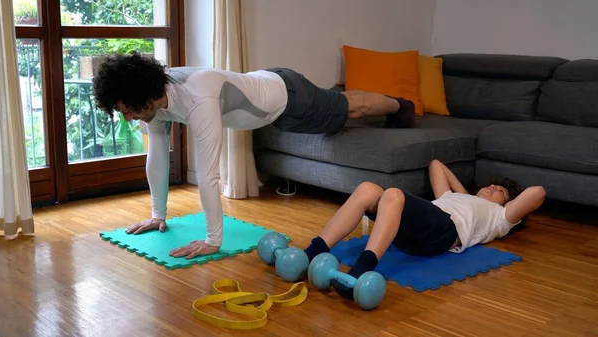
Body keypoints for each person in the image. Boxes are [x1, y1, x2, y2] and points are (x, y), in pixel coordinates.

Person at [92, 52, 417, 259]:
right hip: (269, 88)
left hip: (290, 99)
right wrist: (157, 215)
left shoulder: (198, 99)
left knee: (351, 108)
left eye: (130, 110)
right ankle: (393, 105)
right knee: (344, 103)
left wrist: (213, 240)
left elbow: (209, 176)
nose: (129, 118)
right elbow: (159, 154)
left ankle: (401, 105)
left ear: (146, 96)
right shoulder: (154, 100)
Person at [302, 159, 546, 299]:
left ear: (508, 203)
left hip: (444, 231)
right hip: (409, 229)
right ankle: (313, 251)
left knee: (394, 195)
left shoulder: (501, 217)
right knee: (368, 188)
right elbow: (436, 165)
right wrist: (464, 193)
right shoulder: (453, 196)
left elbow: (537, 193)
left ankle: (362, 268)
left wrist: (509, 203)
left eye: (500, 191)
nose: (493, 187)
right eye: (491, 185)